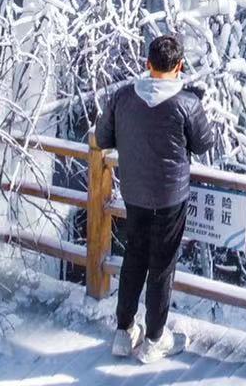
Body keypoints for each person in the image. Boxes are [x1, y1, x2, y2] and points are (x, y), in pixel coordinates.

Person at [93, 32, 216, 362]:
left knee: (134, 257)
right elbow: (204, 144)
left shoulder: (123, 97)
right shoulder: (187, 102)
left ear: (147, 64)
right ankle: (155, 339)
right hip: (170, 196)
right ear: (180, 66)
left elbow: (102, 138)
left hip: (134, 191)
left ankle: (123, 332)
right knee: (162, 266)